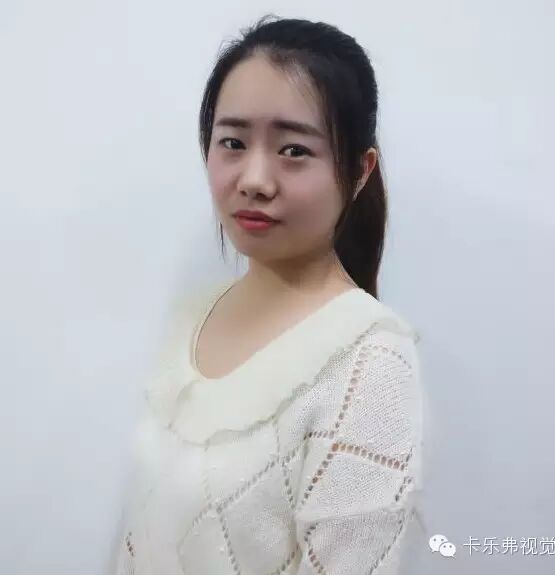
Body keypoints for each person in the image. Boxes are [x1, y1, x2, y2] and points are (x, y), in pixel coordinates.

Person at [112, 14, 424, 575]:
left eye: (294, 150)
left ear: (359, 171)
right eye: (232, 142)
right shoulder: (193, 316)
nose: (254, 179)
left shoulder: (369, 361)